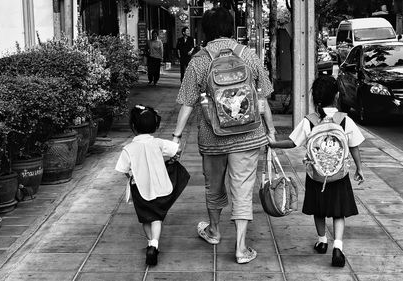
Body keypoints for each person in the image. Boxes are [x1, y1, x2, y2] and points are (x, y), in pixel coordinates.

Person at [171, 7, 277, 264]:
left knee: (213, 186)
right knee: (243, 188)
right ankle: (241, 248)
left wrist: (176, 136)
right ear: (231, 28)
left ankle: (215, 231)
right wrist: (271, 131)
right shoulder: (250, 56)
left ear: (205, 30)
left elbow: (187, 102)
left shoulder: (199, 60)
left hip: (212, 137)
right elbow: (262, 98)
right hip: (249, 135)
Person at [268, 75, 365, 267]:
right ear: (337, 96)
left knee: (318, 210)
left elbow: (293, 142)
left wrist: (274, 144)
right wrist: (359, 168)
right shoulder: (344, 121)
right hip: (339, 174)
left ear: (314, 99)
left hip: (316, 176)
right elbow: (354, 146)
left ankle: (322, 241)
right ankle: (338, 246)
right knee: (339, 212)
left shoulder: (310, 121)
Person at [115, 105, 189, 266]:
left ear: (133, 127)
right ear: (155, 125)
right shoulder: (159, 143)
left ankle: (150, 244)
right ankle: (155, 244)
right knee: (157, 218)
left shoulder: (128, 149)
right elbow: (177, 149)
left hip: (139, 189)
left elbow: (123, 169)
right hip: (160, 187)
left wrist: (132, 175)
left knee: (145, 218)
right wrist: (171, 159)